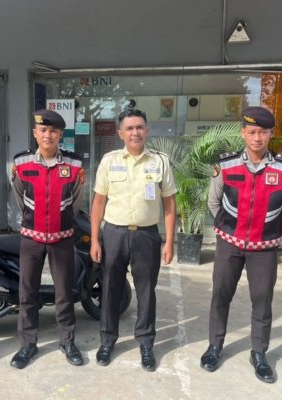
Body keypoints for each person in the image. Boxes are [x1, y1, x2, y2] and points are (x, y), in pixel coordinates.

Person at [200, 106, 282, 384]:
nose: (257, 138)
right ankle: (215, 346)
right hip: (229, 245)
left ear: (271, 133)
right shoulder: (226, 165)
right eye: (252, 132)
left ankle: (259, 353)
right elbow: (214, 202)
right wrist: (229, 229)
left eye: (263, 132)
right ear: (242, 132)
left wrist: (269, 228)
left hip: (264, 249)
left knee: (262, 300)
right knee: (220, 296)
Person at [90, 108, 177, 371]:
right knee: (110, 289)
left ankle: (146, 343)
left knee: (146, 292)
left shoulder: (160, 162)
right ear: (120, 133)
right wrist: (95, 240)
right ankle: (107, 341)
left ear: (146, 130)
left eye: (139, 127)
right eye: (129, 128)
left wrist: (169, 242)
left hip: (147, 235)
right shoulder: (109, 161)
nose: (135, 132)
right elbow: (98, 202)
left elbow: (169, 204)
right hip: (114, 233)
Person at [10, 109, 85, 369]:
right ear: (35, 133)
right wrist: (34, 220)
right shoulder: (21, 163)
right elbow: (20, 197)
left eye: (53, 131)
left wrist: (60, 221)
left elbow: (76, 202)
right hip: (31, 239)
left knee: (64, 292)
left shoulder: (74, 165)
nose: (48, 135)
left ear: (60, 134)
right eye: (43, 130)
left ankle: (67, 341)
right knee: (27, 292)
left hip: (62, 238)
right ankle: (27, 344)